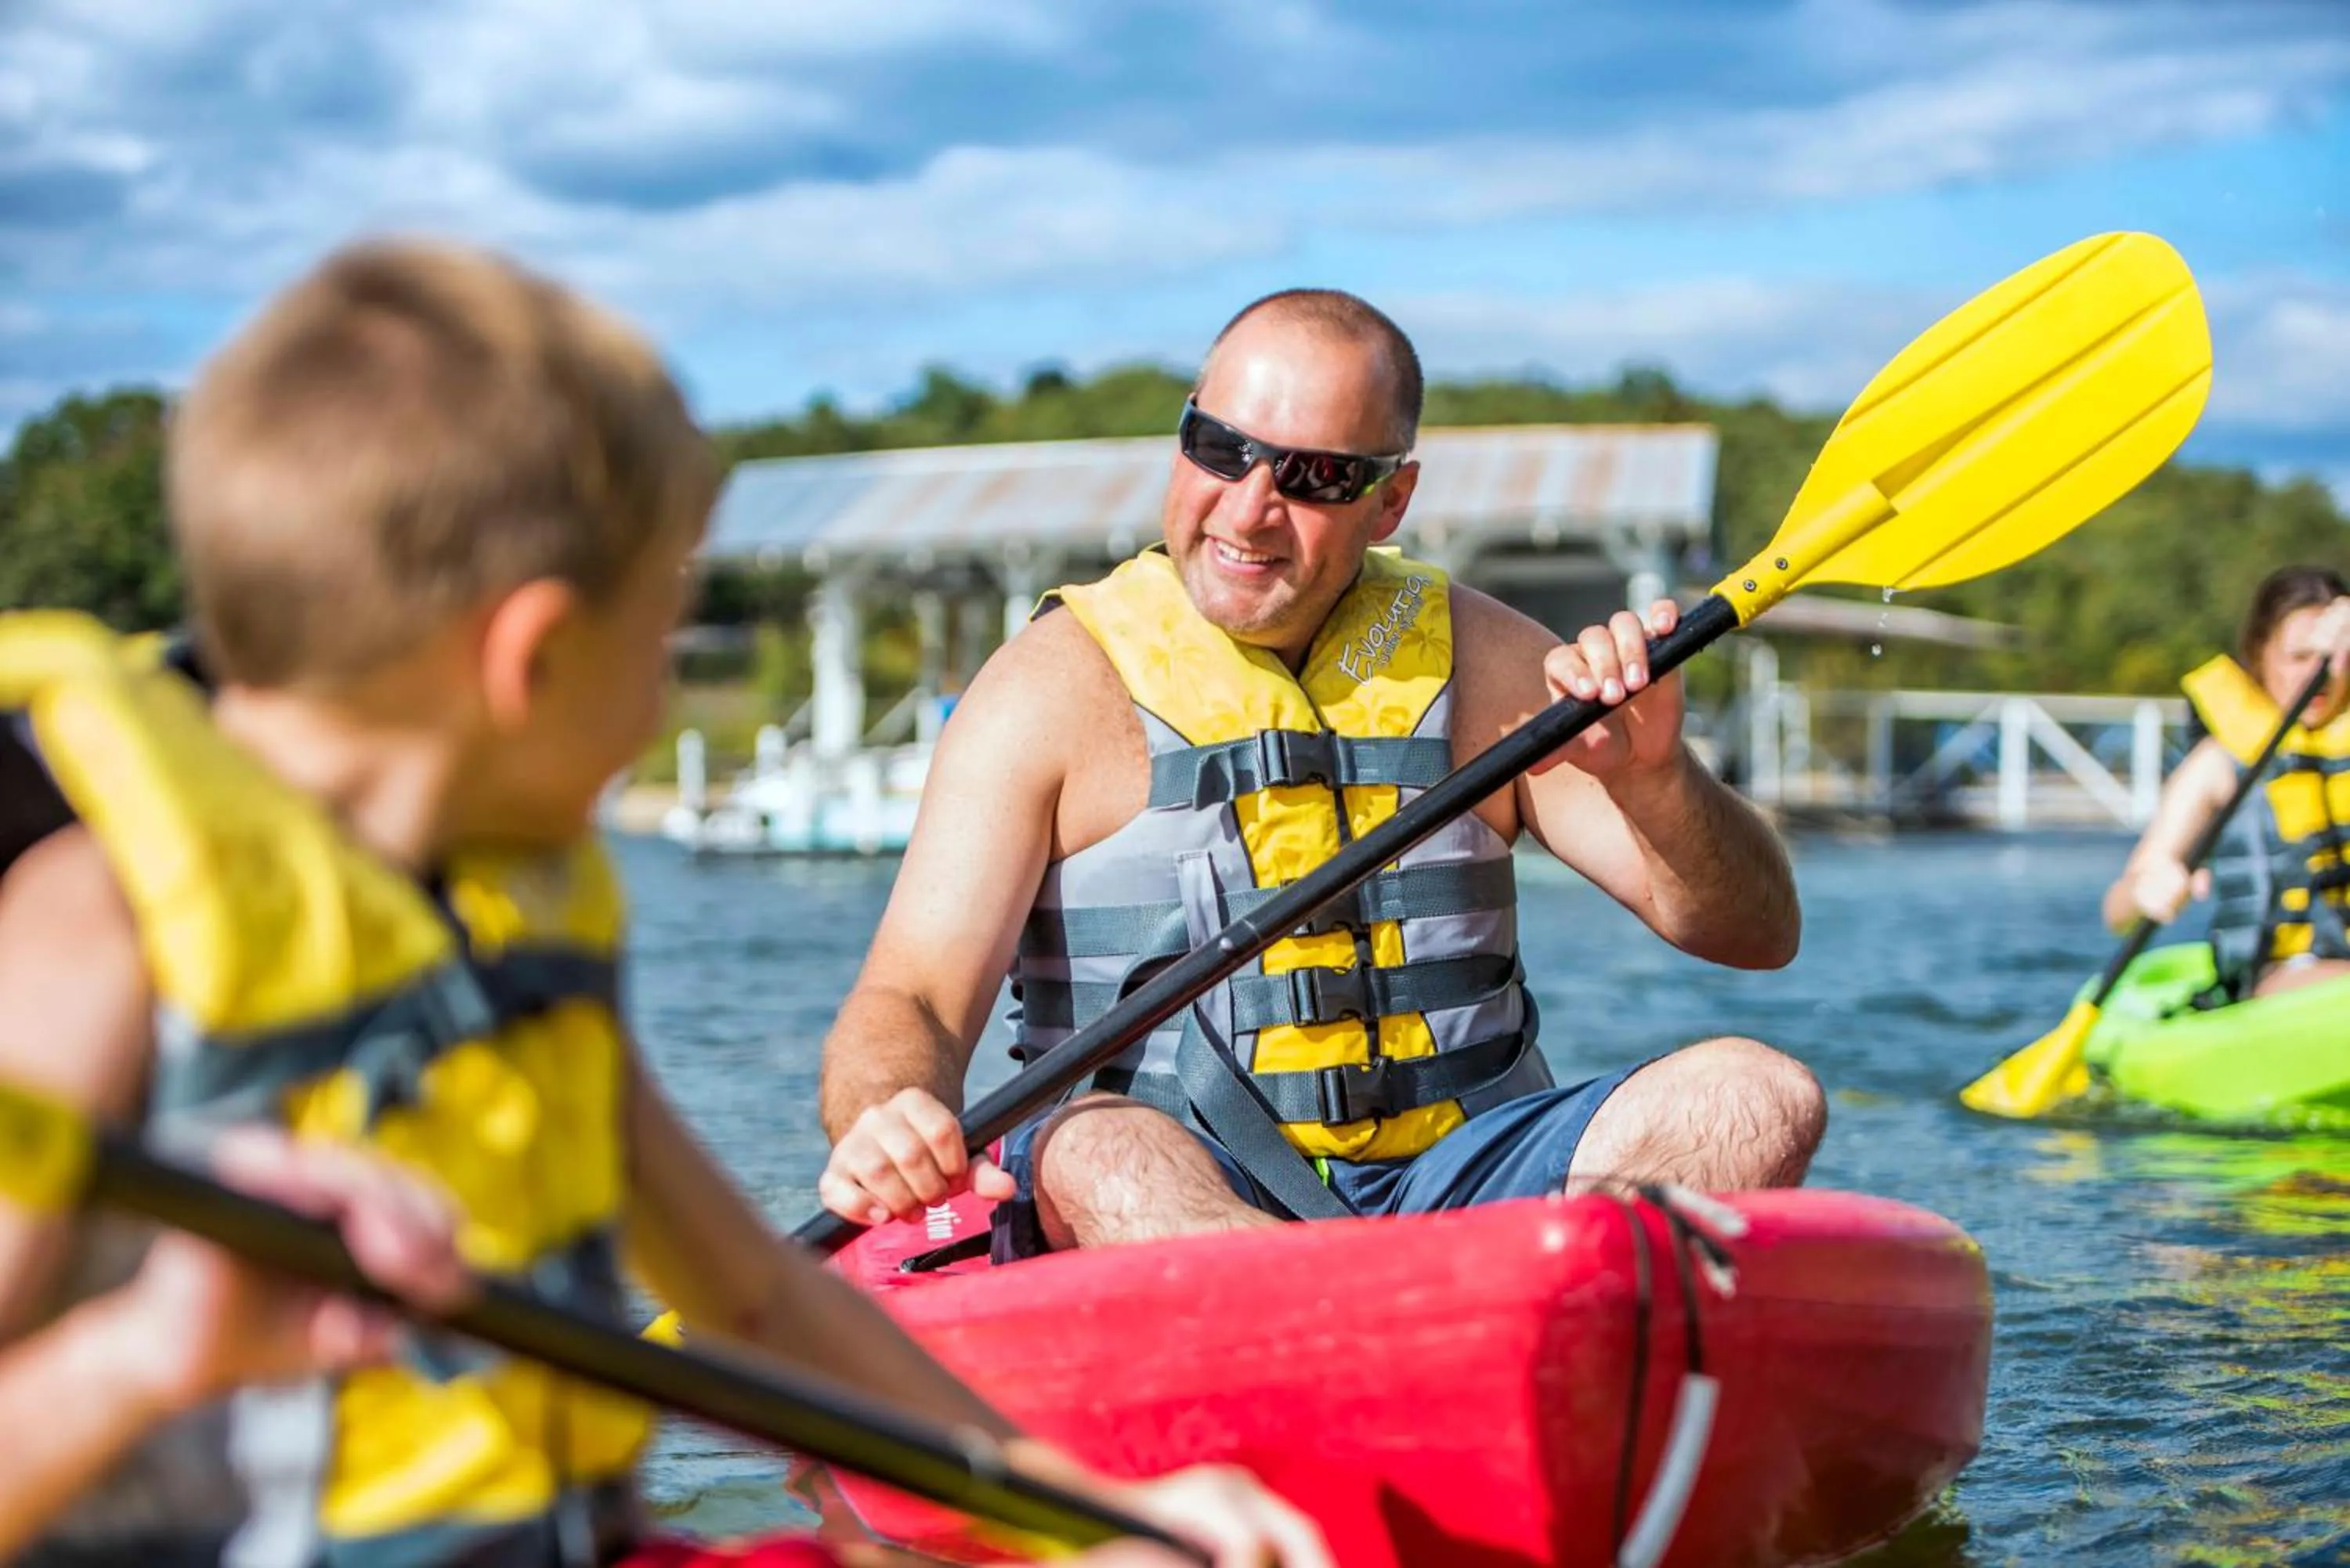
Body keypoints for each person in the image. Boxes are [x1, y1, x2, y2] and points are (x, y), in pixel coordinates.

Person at [0, 241, 1327, 1568]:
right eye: (654, 642)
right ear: (533, 660)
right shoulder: (94, 941)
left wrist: (1093, 1511)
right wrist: (139, 1357)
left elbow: (751, 1291)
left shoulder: (511, 919)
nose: (658, 701)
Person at [817, 288, 1823, 1256]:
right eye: (1222, 450)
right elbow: (911, 997)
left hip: (1465, 1186)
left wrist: (1659, 785)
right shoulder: (1046, 689)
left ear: (1391, 499)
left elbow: (1757, 934)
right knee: (1096, 1147)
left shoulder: (1497, 667)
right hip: (1178, 1181)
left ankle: (1488, 1321)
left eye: (1314, 479)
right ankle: (1365, 1334)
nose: (1249, 510)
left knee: (1755, 1094)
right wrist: (887, 1110)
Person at [2102, 564, 2350, 1001]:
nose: (2317, 676)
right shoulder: (2219, 764)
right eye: (2297, 658)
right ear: (2259, 654)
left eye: (2328, 659)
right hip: (2273, 983)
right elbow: (2117, 912)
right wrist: (2146, 889)